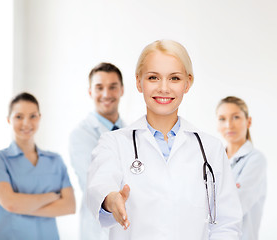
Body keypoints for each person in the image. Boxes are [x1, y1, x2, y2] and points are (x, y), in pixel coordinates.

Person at [87, 40, 242, 240]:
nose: (164, 88)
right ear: (138, 82)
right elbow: (100, 184)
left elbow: (227, 224)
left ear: (188, 83)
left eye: (174, 78)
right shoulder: (114, 143)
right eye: (153, 77)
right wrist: (111, 200)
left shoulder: (211, 148)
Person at [0, 92, 76, 240]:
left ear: (39, 118)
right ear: (9, 119)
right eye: (19, 116)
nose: (26, 123)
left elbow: (69, 206)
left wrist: (21, 205)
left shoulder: (55, 160)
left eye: (33, 116)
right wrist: (51, 197)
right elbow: (10, 204)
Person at [69, 62, 124, 240]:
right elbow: (94, 183)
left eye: (112, 87)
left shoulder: (131, 132)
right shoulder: (81, 134)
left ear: (121, 90)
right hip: (98, 231)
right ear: (90, 92)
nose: (106, 94)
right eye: (99, 88)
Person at [216, 96, 267, 240]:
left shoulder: (256, 160)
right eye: (222, 119)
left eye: (236, 117)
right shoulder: (214, 160)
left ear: (248, 121)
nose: (228, 125)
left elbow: (235, 206)